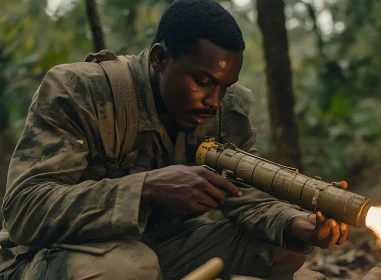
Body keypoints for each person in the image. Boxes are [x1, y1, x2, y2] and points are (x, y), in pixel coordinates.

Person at [0, 0, 349, 279]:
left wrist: (292, 223)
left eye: (224, 87)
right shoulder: (82, 91)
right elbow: (24, 210)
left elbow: (244, 196)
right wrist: (146, 188)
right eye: (203, 81)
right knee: (127, 266)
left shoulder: (228, 109)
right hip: (59, 258)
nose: (214, 101)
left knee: (280, 246)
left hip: (160, 252)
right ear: (159, 59)